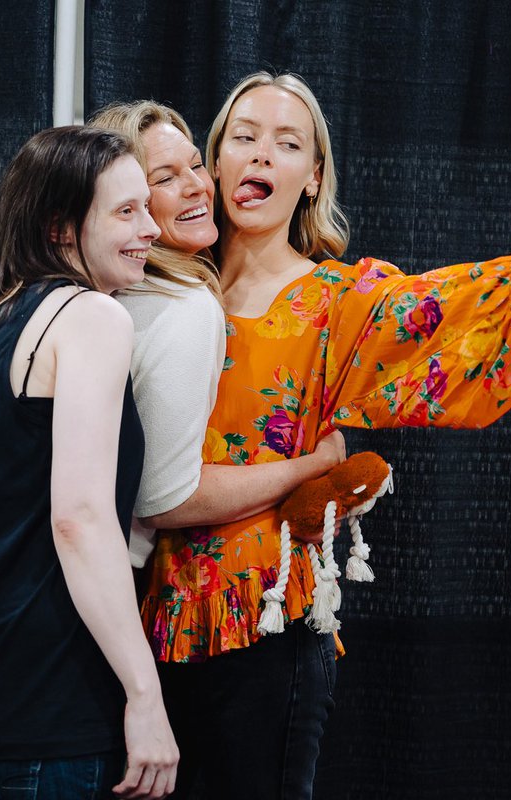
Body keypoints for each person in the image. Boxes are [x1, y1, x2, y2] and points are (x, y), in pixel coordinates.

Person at [131, 73, 511, 800]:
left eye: (287, 143)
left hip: (267, 633)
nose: (262, 154)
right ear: (215, 164)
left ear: (311, 180)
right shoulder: (162, 284)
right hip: (150, 623)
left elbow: (437, 310)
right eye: (244, 137)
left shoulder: (336, 302)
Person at [0, 126, 178, 800]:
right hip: (47, 710)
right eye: (126, 212)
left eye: (147, 206)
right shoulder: (92, 316)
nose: (151, 228)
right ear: (61, 227)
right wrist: (145, 695)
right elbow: (81, 520)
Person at [88, 101, 348, 569]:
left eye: (193, 166)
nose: (194, 186)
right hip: (121, 583)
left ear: (315, 175)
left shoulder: (95, 293)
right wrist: (315, 464)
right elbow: (164, 499)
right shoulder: (182, 303)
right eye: (163, 178)